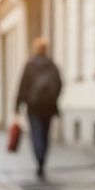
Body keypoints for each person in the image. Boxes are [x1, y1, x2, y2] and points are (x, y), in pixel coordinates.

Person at [15, 37, 62, 178]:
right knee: (45, 134)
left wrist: (18, 104)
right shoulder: (52, 65)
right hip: (48, 105)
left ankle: (39, 158)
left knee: (36, 133)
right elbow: (59, 84)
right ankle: (43, 160)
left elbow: (22, 86)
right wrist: (53, 98)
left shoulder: (30, 65)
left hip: (33, 105)